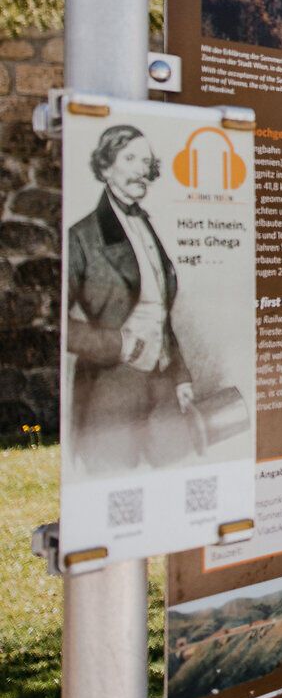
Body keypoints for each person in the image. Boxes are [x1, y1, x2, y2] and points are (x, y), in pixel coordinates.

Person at [66, 125, 194, 472]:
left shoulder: (145, 224)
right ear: (106, 167)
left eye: (147, 160)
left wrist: (180, 376)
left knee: (180, 485)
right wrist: (117, 344)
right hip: (112, 389)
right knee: (114, 492)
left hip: (163, 383)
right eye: (130, 158)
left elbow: (159, 313)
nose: (142, 168)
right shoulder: (81, 237)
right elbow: (56, 324)